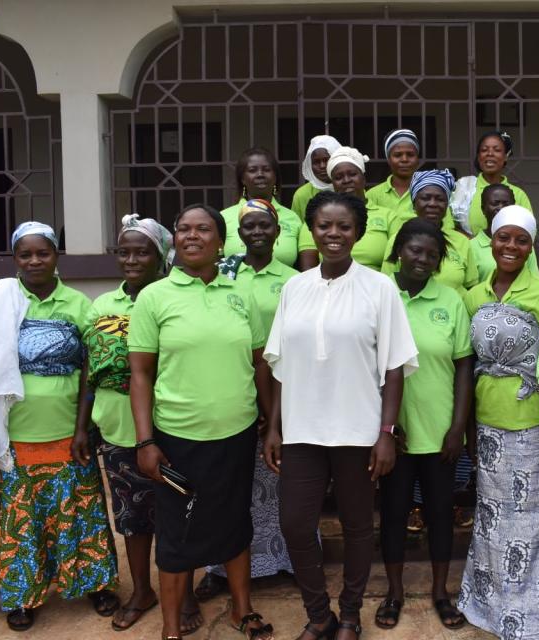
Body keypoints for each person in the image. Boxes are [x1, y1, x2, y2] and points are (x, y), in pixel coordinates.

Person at [262, 191, 418, 640]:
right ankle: (318, 615)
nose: (334, 234)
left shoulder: (380, 288)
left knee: (355, 527)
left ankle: (349, 615)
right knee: (294, 523)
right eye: (324, 226)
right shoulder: (295, 287)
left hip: (357, 430)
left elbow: (393, 366)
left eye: (344, 226)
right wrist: (273, 427)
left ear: (358, 232)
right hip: (302, 429)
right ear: (312, 229)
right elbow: (279, 363)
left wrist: (386, 432)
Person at [128, 204, 275, 640]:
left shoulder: (240, 294)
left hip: (237, 433)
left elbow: (260, 365)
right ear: (174, 239)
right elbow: (140, 374)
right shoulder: (155, 296)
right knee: (177, 532)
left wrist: (272, 422)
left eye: (203, 229)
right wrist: (144, 441)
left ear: (221, 240)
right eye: (184, 229)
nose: (192, 236)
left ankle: (241, 609)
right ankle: (171, 628)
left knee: (235, 521)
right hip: (177, 440)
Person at [0, 221, 119, 631]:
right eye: (25, 254)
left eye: (43, 253)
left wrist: (84, 428)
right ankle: (22, 595)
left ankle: (94, 584)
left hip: (69, 435)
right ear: (15, 259)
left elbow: (91, 368)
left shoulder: (78, 304)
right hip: (13, 437)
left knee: (80, 513)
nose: (34, 261)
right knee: (21, 518)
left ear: (56, 256)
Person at [71, 214, 197, 632]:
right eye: (123, 251)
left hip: (171, 429)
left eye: (141, 251)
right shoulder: (103, 305)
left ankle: (186, 594)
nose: (130, 259)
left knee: (177, 517)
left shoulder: (174, 298)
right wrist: (82, 426)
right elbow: (91, 368)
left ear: (161, 256)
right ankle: (143, 590)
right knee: (131, 516)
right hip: (117, 430)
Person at [456, 205, 539, 640]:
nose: (511, 246)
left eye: (521, 240)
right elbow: (466, 367)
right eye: (504, 237)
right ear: (491, 239)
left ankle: (531, 615)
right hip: (487, 423)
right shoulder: (474, 295)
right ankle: (489, 604)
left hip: (534, 423)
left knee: (531, 517)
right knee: (490, 516)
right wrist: (467, 427)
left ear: (531, 246)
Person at [196, 198, 300, 600]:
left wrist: (272, 409)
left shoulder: (294, 279)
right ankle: (217, 567)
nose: (257, 232)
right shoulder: (223, 276)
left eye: (265, 225)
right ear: (238, 234)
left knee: (281, 481)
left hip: (286, 390)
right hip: (233, 389)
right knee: (227, 486)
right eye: (249, 226)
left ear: (277, 231)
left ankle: (286, 559)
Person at [375, 218, 473, 632]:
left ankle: (439, 592)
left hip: (439, 433)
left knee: (438, 513)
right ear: (399, 250)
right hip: (390, 435)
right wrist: (380, 427)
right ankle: (394, 591)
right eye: (415, 250)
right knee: (394, 514)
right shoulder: (378, 293)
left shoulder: (450, 300)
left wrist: (457, 429)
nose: (422, 259)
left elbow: (464, 366)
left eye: (432, 255)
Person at [381, 169, 479, 293]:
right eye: (425, 198)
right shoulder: (398, 239)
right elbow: (387, 285)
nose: (432, 204)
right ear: (414, 203)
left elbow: (471, 286)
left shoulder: (461, 241)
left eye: (439, 199)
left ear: (447, 204)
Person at [221, 146, 318, 270]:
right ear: (242, 179)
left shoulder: (292, 217)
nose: (260, 174)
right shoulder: (224, 217)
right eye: (252, 170)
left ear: (275, 177)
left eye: (266, 170)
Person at [328, 146, 400, 271]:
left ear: (363, 178)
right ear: (332, 184)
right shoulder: (323, 217)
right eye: (339, 177)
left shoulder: (389, 216)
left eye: (352, 174)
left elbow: (397, 260)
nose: (346, 180)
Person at [455, 131, 532, 236]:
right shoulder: (463, 188)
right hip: (467, 251)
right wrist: (473, 246)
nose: (490, 153)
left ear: (505, 156)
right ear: (478, 157)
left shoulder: (519, 195)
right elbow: (448, 228)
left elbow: (529, 231)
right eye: (484, 150)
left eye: (497, 150)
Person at [471, 184, 539, 281]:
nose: (501, 208)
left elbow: (535, 280)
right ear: (483, 208)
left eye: (506, 204)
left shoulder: (523, 244)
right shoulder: (471, 247)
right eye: (495, 203)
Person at [366, 128, 421, 219]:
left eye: (410, 155)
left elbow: (447, 230)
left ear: (417, 159)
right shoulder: (372, 195)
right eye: (398, 155)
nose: (404, 159)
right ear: (389, 160)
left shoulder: (429, 193)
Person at [291, 135, 342, 220]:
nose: (322, 166)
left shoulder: (349, 187)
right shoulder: (301, 195)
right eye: (316, 162)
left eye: (326, 160)